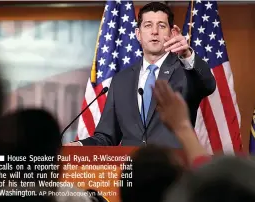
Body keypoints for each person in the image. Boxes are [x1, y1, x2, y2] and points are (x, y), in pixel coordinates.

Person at [65, 2, 216, 147]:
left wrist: (187, 54)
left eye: (161, 26)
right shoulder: (121, 80)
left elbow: (208, 85)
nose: (154, 31)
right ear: (138, 34)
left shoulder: (185, 71)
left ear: (172, 33)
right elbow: (107, 136)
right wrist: (80, 145)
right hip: (133, 169)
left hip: (173, 168)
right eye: (148, 25)